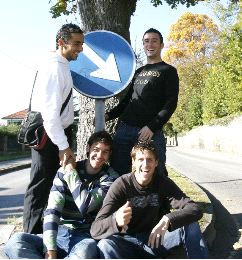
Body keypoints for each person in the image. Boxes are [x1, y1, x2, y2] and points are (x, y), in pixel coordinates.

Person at [5, 131, 119, 259]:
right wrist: (50, 249)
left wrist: (70, 172)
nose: (99, 155)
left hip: (83, 237)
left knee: (85, 253)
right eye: (96, 149)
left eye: (105, 152)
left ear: (109, 154)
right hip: (58, 232)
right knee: (15, 242)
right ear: (88, 147)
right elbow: (52, 211)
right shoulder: (63, 171)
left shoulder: (110, 178)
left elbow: (85, 205)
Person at [90, 140, 209, 259]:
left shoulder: (163, 183)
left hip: (155, 240)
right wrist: (115, 220)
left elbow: (195, 209)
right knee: (105, 245)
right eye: (141, 159)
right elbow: (95, 230)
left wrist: (168, 218)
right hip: (125, 243)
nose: (145, 164)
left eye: (150, 159)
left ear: (156, 162)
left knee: (191, 225)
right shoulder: (121, 185)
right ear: (134, 162)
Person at [23, 23, 84, 234]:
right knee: (41, 187)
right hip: (50, 135)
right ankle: (30, 239)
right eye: (76, 44)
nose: (81, 49)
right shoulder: (55, 68)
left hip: (55, 135)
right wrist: (63, 146)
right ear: (61, 42)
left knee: (49, 185)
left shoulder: (61, 65)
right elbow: (50, 115)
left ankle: (43, 234)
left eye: (81, 44)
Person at [105, 28, 179, 176]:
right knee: (117, 173)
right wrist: (108, 115)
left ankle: (157, 200)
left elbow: (171, 103)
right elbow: (127, 100)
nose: (150, 44)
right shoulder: (138, 71)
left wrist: (152, 127)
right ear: (143, 45)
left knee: (157, 174)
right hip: (125, 129)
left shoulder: (168, 71)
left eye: (154, 41)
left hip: (150, 132)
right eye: (146, 41)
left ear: (161, 45)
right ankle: (122, 199)